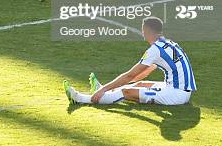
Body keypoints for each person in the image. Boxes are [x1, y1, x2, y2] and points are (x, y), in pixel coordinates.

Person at [63, 16, 196, 105]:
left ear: (148, 31)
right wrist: (109, 88)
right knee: (139, 85)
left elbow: (130, 75)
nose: (142, 33)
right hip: (178, 89)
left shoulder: (155, 50)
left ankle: (81, 99)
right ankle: (106, 92)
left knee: (126, 91)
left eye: (143, 29)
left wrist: (104, 89)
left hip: (176, 94)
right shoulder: (167, 43)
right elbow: (142, 74)